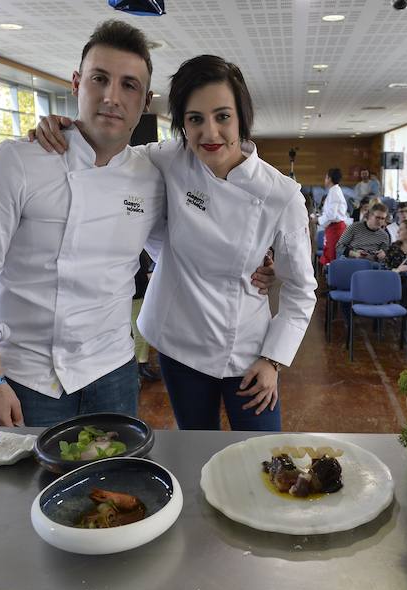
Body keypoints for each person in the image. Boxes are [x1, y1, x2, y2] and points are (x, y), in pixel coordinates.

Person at [0, 21, 274, 428]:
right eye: (99, 79)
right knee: (30, 489)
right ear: (76, 83)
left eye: (128, 85)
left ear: (145, 100)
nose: (111, 97)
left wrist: (254, 265)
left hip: (113, 373)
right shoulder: (15, 162)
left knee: (116, 485)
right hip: (26, 379)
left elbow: (186, 237)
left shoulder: (152, 172)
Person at [34, 54, 317, 431]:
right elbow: (108, 155)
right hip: (180, 341)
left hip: (249, 349)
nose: (210, 133)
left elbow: (301, 290)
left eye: (223, 116)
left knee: (261, 453)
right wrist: (66, 131)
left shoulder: (281, 195)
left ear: (242, 117)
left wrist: (274, 360)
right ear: (181, 123)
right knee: (194, 447)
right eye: (195, 119)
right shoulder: (169, 159)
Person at [132, 252, 160, 382]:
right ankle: (138, 368)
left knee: (140, 333)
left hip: (140, 293)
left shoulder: (139, 249)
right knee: (140, 334)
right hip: (134, 295)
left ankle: (141, 364)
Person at [316, 168, 350, 265]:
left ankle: (332, 278)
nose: (325, 179)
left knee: (332, 257)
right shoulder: (334, 191)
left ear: (329, 178)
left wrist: (318, 220)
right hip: (333, 228)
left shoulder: (334, 192)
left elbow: (332, 215)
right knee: (330, 255)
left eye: (326, 177)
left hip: (336, 229)